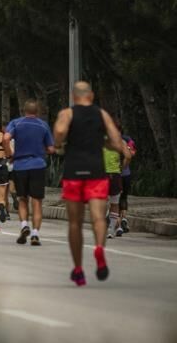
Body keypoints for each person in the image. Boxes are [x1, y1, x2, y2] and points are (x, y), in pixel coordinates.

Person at [53, 81, 129, 286]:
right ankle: (98, 250)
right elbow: (116, 141)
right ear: (91, 96)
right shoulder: (102, 115)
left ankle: (78, 270)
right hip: (96, 172)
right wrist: (102, 141)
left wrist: (61, 141)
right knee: (98, 219)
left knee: (75, 223)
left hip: (73, 172)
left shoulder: (67, 114)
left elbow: (58, 135)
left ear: (74, 96)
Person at [5, 100, 56, 246]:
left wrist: (10, 154)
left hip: (20, 166)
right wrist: (42, 151)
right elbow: (51, 149)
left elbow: (6, 138)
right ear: (37, 111)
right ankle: (35, 234)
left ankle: (24, 225)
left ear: (23, 110)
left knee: (22, 199)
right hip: (38, 166)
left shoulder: (16, 123)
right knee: (37, 202)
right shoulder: (43, 125)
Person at [103, 120, 131, 239]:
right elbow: (128, 156)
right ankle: (111, 230)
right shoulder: (121, 142)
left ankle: (106, 225)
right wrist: (122, 166)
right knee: (115, 203)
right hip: (116, 174)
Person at [119, 128, 136, 233]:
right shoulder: (128, 140)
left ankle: (117, 223)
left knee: (114, 199)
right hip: (126, 173)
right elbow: (132, 153)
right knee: (123, 197)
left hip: (114, 174)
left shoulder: (108, 141)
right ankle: (124, 218)